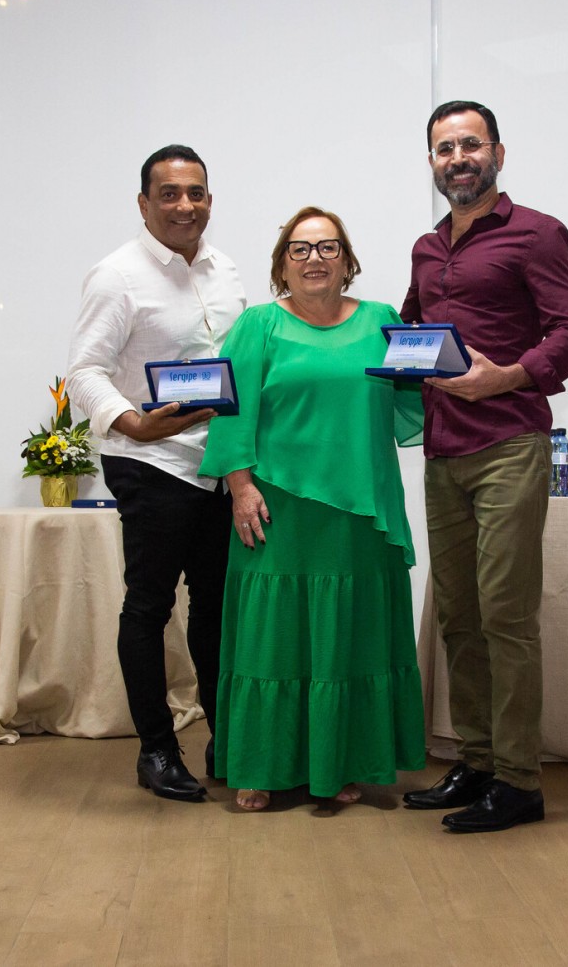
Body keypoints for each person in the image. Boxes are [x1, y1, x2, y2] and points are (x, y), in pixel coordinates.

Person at [401, 101, 568, 832]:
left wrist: (507, 376)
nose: (458, 158)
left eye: (470, 144)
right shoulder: (427, 247)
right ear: (431, 162)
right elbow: (412, 327)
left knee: (506, 615)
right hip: (443, 449)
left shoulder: (537, 233)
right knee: (458, 615)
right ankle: (478, 761)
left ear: (498, 154)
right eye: (444, 148)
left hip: (510, 442)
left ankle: (518, 782)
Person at [198, 206, 426, 810]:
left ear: (347, 261)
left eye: (328, 247)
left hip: (361, 512)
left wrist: (457, 364)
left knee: (348, 640)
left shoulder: (381, 319)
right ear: (282, 266)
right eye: (299, 249)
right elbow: (231, 412)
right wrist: (240, 487)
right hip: (276, 508)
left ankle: (339, 762)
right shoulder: (259, 324)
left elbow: (417, 394)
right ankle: (260, 765)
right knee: (271, 639)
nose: (314, 259)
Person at [66, 144, 246, 801]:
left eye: (195, 192)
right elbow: (84, 370)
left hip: (217, 466)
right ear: (144, 204)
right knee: (149, 605)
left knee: (218, 607)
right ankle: (157, 751)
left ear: (209, 200)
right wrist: (133, 424)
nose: (184, 205)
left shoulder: (226, 271)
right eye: (169, 194)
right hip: (150, 462)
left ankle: (228, 738)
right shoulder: (116, 275)